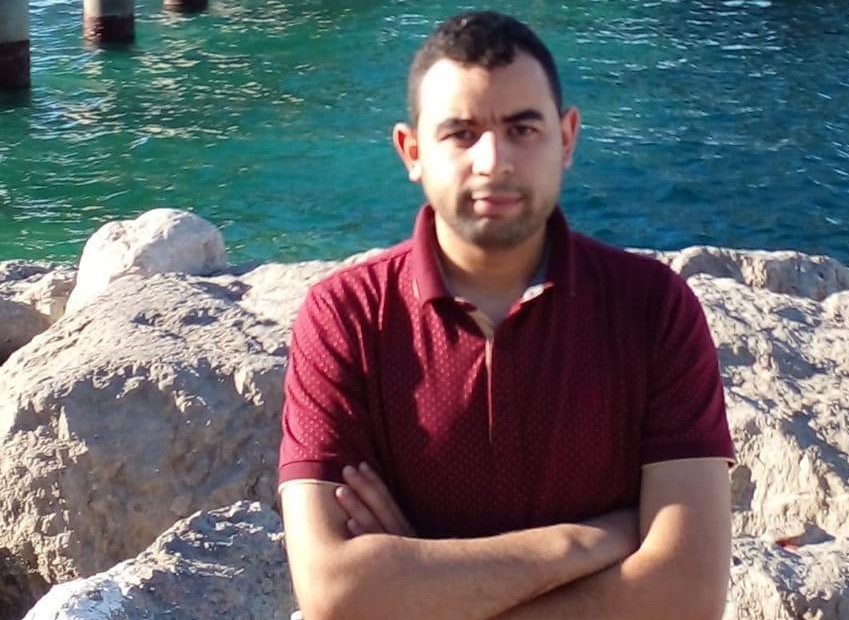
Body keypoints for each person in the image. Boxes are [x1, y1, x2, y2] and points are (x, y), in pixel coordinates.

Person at [278, 10, 735, 620]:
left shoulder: (653, 310)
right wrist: (584, 543)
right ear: (412, 150)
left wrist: (419, 581)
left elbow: (687, 595)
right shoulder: (347, 317)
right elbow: (336, 592)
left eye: (522, 129)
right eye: (461, 133)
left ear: (566, 138)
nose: (493, 161)